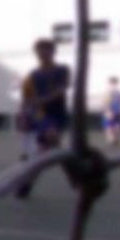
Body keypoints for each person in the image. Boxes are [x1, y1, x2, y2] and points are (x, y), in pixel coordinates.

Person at [17, 38, 71, 199]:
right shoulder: (31, 76)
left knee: (50, 149)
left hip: (58, 114)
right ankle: (27, 182)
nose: (42, 54)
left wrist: (44, 99)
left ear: (53, 52)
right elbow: (25, 100)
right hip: (40, 115)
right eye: (39, 51)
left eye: (46, 50)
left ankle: (28, 180)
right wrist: (23, 117)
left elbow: (63, 88)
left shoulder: (63, 69)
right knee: (49, 141)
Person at [103, 76, 120, 148]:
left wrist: (107, 111)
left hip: (114, 111)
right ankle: (115, 140)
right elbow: (105, 103)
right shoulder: (118, 93)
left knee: (112, 126)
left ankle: (114, 140)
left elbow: (106, 103)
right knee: (113, 126)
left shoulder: (112, 92)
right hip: (115, 111)